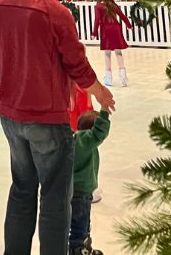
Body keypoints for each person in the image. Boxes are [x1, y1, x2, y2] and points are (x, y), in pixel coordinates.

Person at [0, 0, 116, 255]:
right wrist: (99, 91)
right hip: (46, 114)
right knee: (56, 196)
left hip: (11, 113)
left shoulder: (0, 5)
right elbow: (75, 61)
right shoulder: (54, 11)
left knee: (21, 188)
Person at [70, 106, 111, 255]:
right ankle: (79, 249)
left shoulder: (74, 139)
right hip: (82, 192)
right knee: (81, 225)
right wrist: (105, 112)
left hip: (70, 190)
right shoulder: (86, 141)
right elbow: (100, 131)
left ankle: (79, 247)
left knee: (75, 223)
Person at [94, 0, 132, 87]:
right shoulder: (113, 5)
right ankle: (123, 76)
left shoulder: (98, 6)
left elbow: (97, 21)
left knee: (107, 54)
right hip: (116, 29)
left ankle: (108, 77)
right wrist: (129, 25)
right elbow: (123, 16)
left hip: (106, 30)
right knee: (118, 52)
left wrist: (94, 33)